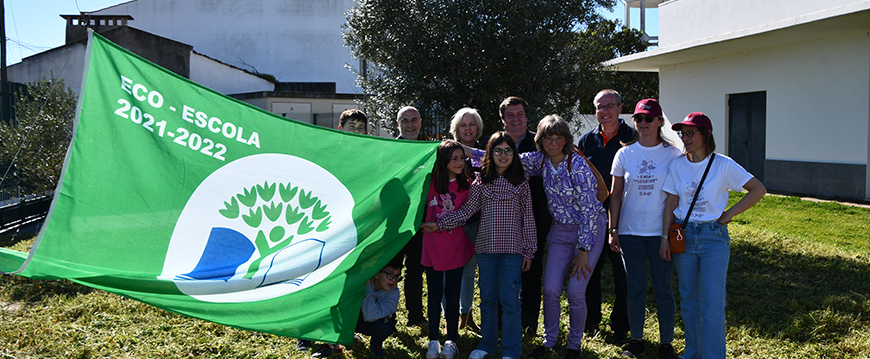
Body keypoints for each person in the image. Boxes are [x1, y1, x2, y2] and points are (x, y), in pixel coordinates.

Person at [421, 132, 537, 359]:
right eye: (498, 150)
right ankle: (487, 345)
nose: (503, 155)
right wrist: (440, 224)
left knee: (511, 301)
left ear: (514, 154)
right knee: (488, 299)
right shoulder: (481, 182)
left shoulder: (521, 182)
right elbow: (465, 212)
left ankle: (511, 350)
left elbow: (528, 217)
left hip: (512, 251)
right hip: (485, 250)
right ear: (490, 154)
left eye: (508, 151)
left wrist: (529, 250)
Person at [660, 112, 766, 359]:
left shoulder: (723, 164)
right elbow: (670, 203)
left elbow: (758, 189)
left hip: (712, 238)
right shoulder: (677, 165)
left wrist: (727, 215)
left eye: (690, 133)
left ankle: (713, 355)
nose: (685, 138)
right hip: (683, 236)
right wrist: (664, 238)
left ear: (706, 134)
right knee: (688, 301)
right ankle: (692, 353)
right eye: (682, 133)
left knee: (712, 305)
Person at [513, 115, 607, 359]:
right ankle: (549, 341)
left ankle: (574, 346)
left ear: (566, 140)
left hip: (589, 230)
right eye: (548, 138)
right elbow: (503, 157)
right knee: (552, 289)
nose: (553, 143)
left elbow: (589, 209)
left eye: (558, 138)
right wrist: (463, 149)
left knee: (576, 291)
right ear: (541, 140)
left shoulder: (576, 165)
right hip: (560, 230)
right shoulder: (540, 161)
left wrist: (584, 251)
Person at [608, 99, 681, 359]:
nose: (642, 124)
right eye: (638, 119)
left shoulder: (673, 154)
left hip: (661, 233)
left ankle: (666, 343)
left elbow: (677, 196)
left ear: (660, 121)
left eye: (648, 119)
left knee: (663, 289)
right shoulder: (625, 153)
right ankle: (636, 339)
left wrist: (666, 234)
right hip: (630, 233)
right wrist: (612, 228)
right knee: (635, 287)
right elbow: (615, 196)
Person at [299, 109, 371, 356]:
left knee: (345, 282)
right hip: (325, 228)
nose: (357, 130)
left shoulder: (369, 157)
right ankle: (305, 333)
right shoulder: (328, 153)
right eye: (352, 125)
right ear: (341, 128)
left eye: (361, 127)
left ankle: (334, 336)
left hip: (353, 230)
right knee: (314, 279)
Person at [577, 89, 633, 343]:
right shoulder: (586, 141)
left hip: (626, 218)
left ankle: (621, 326)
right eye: (599, 107)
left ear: (620, 108)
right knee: (590, 272)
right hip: (593, 219)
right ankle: (591, 321)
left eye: (610, 106)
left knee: (623, 277)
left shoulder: (634, 138)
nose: (604, 111)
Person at [499, 96, 552, 334]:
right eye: (510, 115)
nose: (515, 119)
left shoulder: (540, 143)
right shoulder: (497, 143)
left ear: (527, 116)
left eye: (519, 114)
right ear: (503, 119)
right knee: (505, 271)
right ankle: (502, 322)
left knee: (532, 270)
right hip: (503, 219)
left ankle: (529, 322)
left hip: (536, 216)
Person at [421, 140, 475, 359]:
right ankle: (433, 340)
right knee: (434, 296)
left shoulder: (467, 185)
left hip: (456, 249)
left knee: (453, 296)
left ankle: (452, 340)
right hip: (432, 248)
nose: (460, 162)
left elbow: (467, 213)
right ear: (443, 161)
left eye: (462, 158)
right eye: (454, 158)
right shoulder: (429, 183)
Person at [448, 108, 485, 332]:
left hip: (476, 222)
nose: (468, 128)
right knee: (451, 271)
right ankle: (450, 317)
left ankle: (466, 314)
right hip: (450, 222)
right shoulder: (447, 152)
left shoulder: (484, 153)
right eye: (463, 125)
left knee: (469, 271)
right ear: (457, 129)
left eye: (472, 124)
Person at [395, 106, 427, 327]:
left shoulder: (429, 150)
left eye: (413, 120)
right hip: (394, 222)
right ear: (398, 124)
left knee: (415, 271)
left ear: (420, 122)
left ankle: (415, 316)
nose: (409, 124)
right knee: (390, 271)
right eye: (404, 120)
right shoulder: (389, 148)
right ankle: (385, 317)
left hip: (420, 221)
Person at [356, 255, 404, 358]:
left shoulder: (393, 293)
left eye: (397, 276)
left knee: (385, 325)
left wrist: (368, 288)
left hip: (370, 324)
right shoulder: (360, 281)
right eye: (390, 274)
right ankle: (336, 342)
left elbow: (370, 316)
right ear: (377, 274)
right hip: (352, 321)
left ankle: (376, 344)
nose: (394, 280)